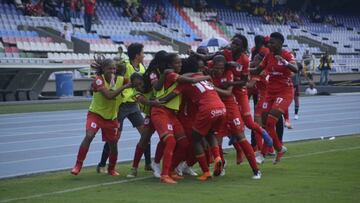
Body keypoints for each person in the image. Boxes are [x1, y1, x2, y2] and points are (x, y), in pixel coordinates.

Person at [70, 55, 131, 176]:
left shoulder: (120, 79)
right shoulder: (98, 80)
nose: (112, 71)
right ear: (103, 69)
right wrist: (124, 87)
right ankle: (78, 165)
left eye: (114, 69)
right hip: (96, 114)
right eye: (109, 69)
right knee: (89, 135)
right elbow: (108, 95)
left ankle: (111, 168)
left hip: (111, 117)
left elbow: (134, 82)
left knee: (113, 144)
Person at [97, 43, 152, 173]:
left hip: (133, 105)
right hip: (121, 105)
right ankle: (102, 164)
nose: (144, 55)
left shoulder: (142, 67)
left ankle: (148, 163)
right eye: (143, 52)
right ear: (137, 55)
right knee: (114, 138)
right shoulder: (125, 65)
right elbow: (114, 74)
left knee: (145, 134)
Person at [210, 55, 261, 179]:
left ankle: (256, 170)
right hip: (218, 108)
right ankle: (221, 167)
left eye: (221, 68)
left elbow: (228, 92)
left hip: (231, 108)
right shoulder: (209, 73)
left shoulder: (228, 73)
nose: (219, 70)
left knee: (240, 137)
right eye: (217, 68)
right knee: (217, 140)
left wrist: (213, 88)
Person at [253, 32, 298, 164]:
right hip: (270, 93)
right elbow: (257, 70)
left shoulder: (287, 54)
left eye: (272, 42)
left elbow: (295, 69)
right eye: (269, 43)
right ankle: (278, 148)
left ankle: (264, 153)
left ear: (280, 43)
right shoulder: (268, 55)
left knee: (271, 122)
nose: (269, 45)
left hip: (284, 92)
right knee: (267, 123)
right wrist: (242, 71)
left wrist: (284, 62)